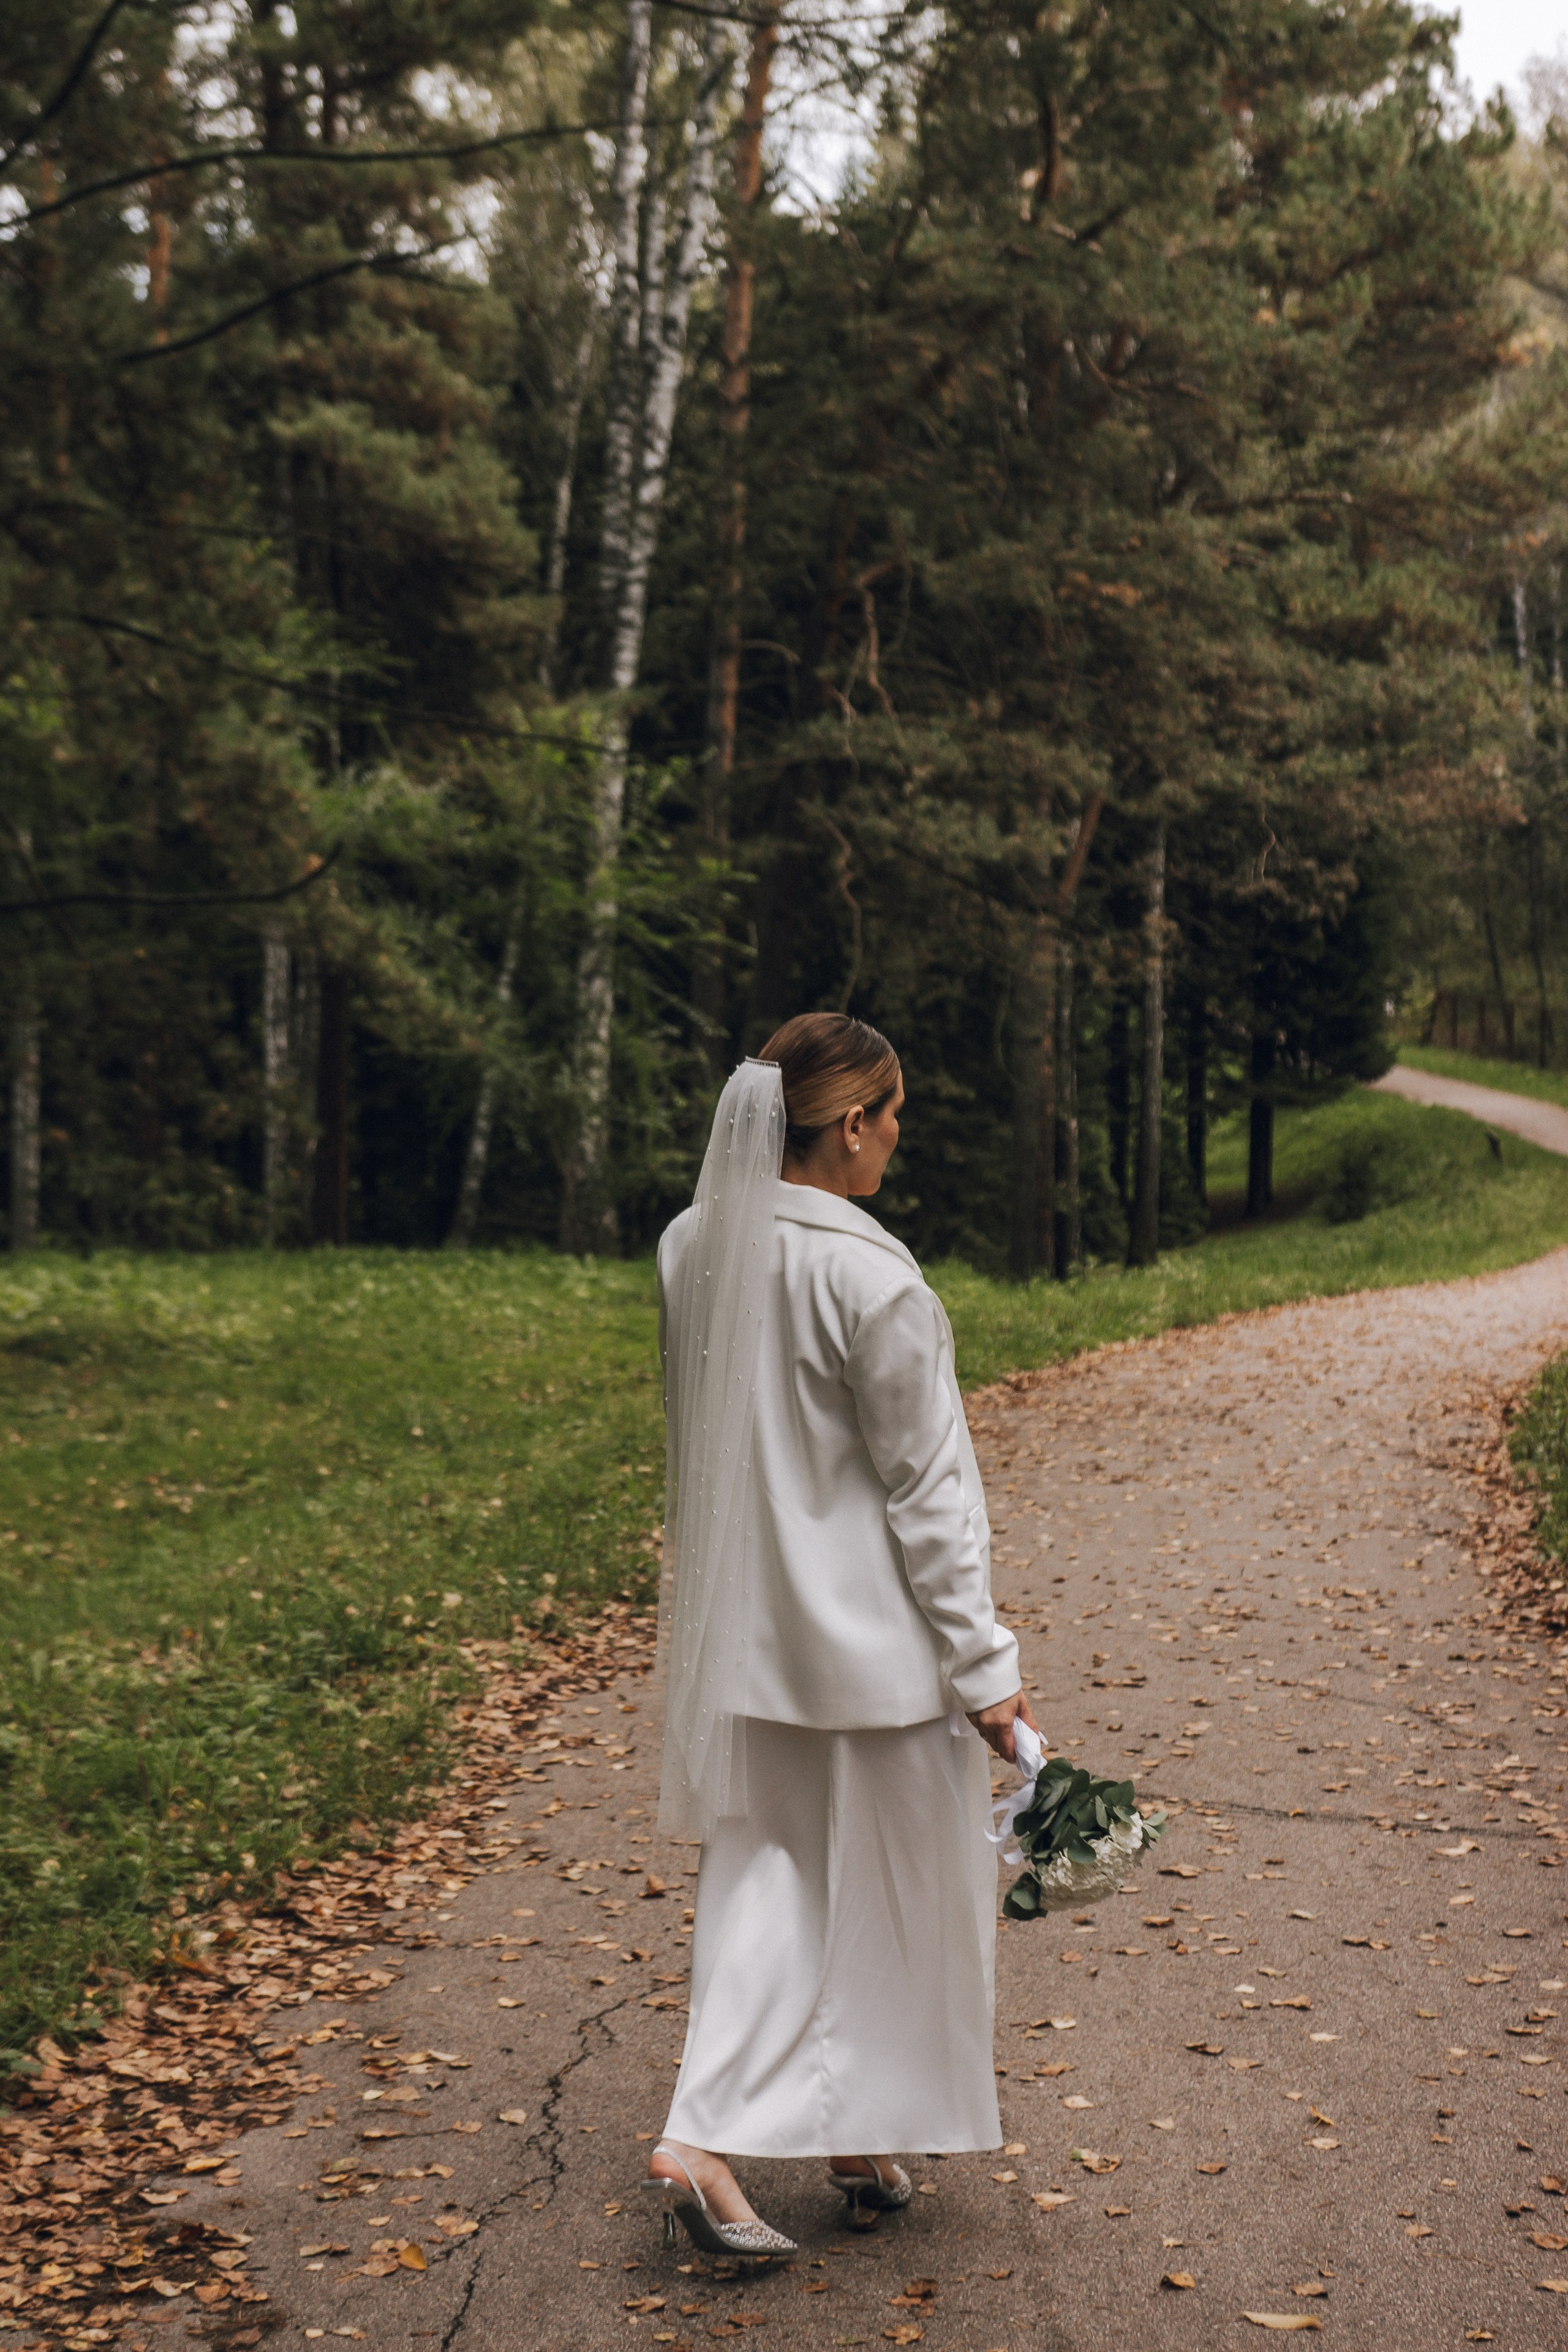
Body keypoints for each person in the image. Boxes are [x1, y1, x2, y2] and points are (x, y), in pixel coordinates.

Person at [642, 1013, 1038, 2256]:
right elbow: (929, 1498)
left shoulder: (688, 1247)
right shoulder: (874, 1281)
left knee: (766, 1878)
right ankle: (704, 2133)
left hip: (740, 1643)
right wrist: (985, 1673)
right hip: (870, 1655)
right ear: (850, 1121)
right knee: (889, 1898)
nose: (897, 1137)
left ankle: (844, 2128)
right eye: (891, 1113)